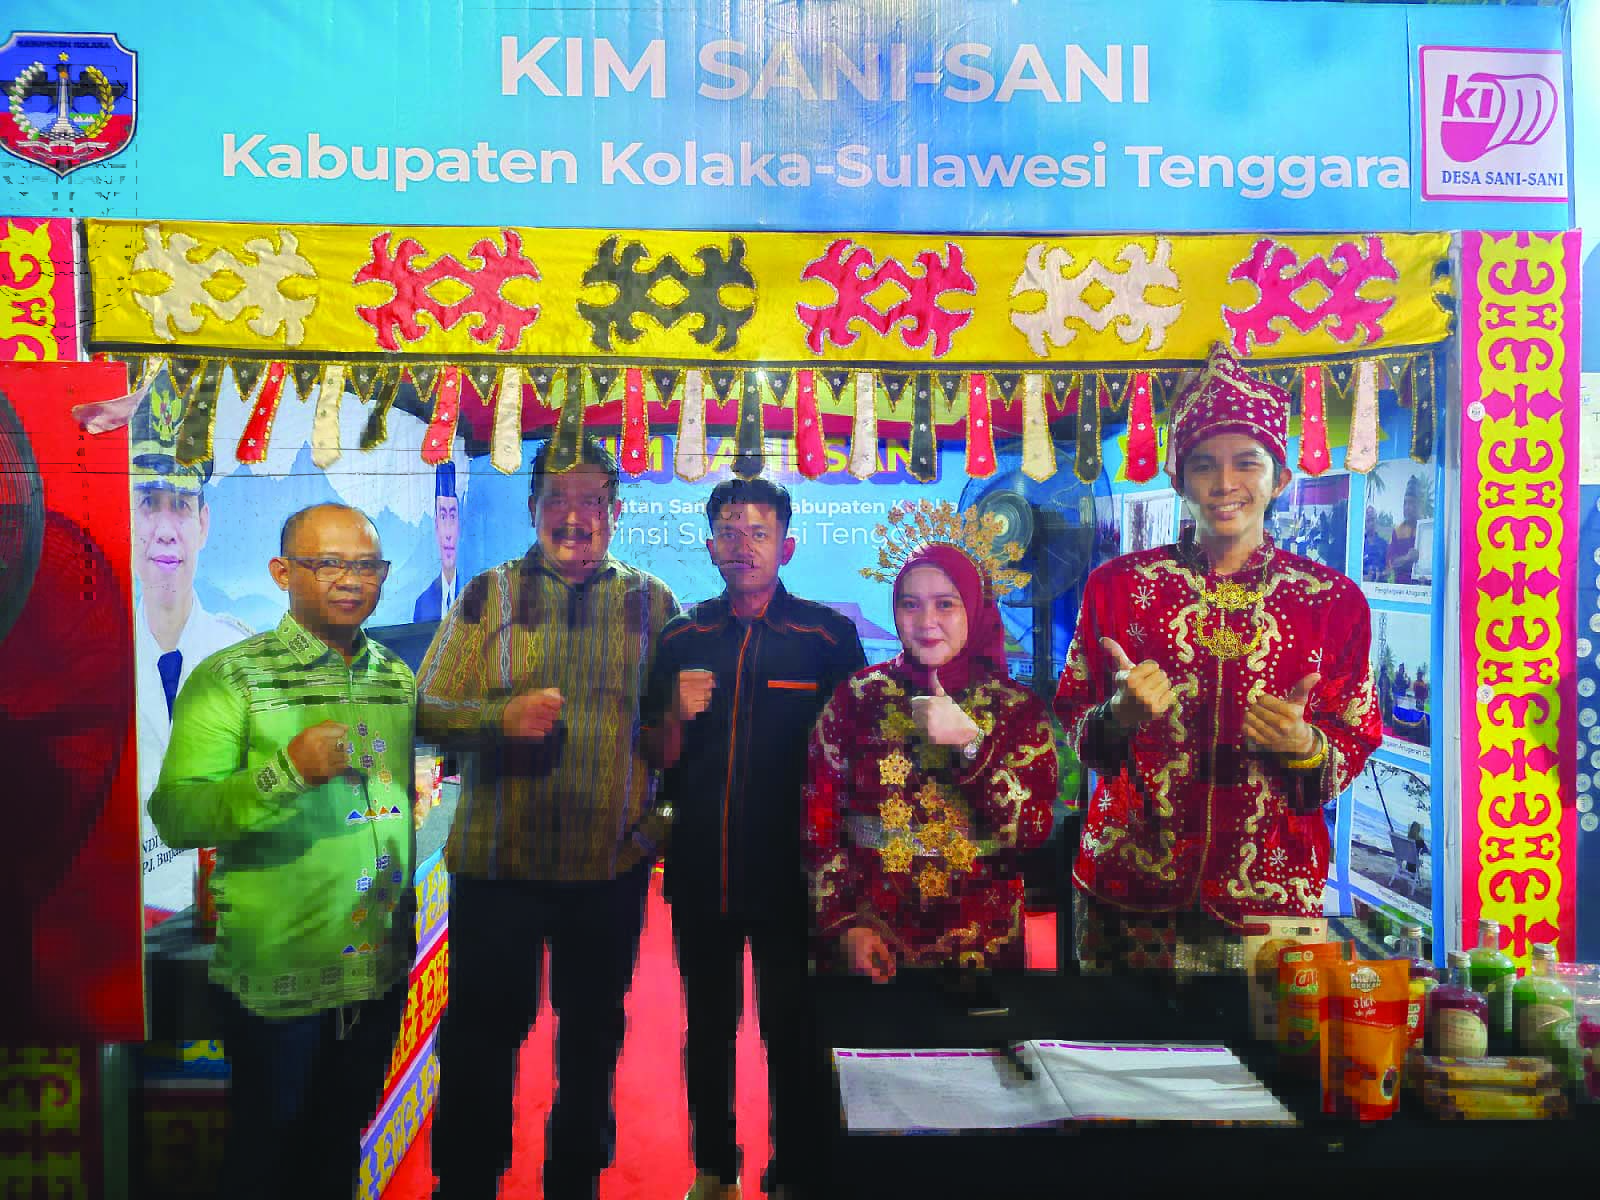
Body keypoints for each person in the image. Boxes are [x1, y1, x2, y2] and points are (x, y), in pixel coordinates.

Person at [1054, 343, 1382, 973]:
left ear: (1280, 479)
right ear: (1178, 480)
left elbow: (1356, 734)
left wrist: (1306, 745)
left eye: (1247, 463)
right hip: (1129, 886)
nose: (1225, 484)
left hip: (1271, 892)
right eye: (1203, 465)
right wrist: (1117, 717)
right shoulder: (1117, 588)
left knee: (1267, 1041)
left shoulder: (1332, 602)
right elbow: (1077, 721)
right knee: (1112, 1037)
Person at [418, 437, 680, 1200]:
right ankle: (466, 1183)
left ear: (615, 513)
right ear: (533, 509)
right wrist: (497, 718)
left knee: (593, 1037)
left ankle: (576, 1181)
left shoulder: (654, 603)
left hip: (609, 866)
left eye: (592, 500)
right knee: (482, 1036)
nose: (574, 516)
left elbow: (671, 735)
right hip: (501, 865)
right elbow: (427, 708)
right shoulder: (488, 595)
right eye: (558, 499)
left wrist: (658, 822)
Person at [148, 503, 417, 1200]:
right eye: (328, 564)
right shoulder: (232, 678)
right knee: (267, 1154)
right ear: (281, 572)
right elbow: (177, 815)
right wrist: (287, 771)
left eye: (367, 566)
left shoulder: (394, 675)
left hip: (377, 969)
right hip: (279, 978)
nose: (352, 580)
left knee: (339, 1145)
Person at [642, 479, 865, 1200]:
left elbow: (860, 756)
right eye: (730, 532)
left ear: (786, 547)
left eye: (758, 532)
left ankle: (794, 1168)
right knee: (708, 1029)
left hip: (794, 877)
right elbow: (653, 753)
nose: (743, 546)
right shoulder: (682, 637)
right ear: (710, 546)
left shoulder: (827, 639)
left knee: (793, 1032)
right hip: (701, 871)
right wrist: (673, 714)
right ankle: (715, 1169)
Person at [805, 500, 1056, 979]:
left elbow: (1032, 832)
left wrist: (971, 744)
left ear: (975, 608)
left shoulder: (1016, 709)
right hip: (873, 939)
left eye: (946, 603)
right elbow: (817, 819)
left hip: (982, 941)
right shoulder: (857, 698)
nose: (926, 622)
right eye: (910, 604)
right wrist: (843, 924)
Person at [130, 372, 252, 919]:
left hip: (223, 908)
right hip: (129, 911)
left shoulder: (241, 657)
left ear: (203, 523)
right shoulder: (93, 660)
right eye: (147, 502)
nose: (165, 529)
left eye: (180, 505)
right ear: (126, 516)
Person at [414, 460, 463, 622]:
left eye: (452, 516)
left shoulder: (475, 596)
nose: (448, 532)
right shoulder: (423, 603)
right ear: (436, 526)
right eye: (442, 516)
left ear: (459, 525)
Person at [1384, 476, 1423, 584]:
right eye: (1405, 503)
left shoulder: (1427, 530)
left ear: (1419, 504)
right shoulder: (1397, 531)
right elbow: (1390, 562)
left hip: (1423, 587)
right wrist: (1407, 558)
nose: (1407, 507)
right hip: (1402, 588)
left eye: (1411, 503)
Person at [1361, 505, 1387, 580]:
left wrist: (1382, 574)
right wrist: (1364, 578)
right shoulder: (1360, 544)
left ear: (1376, 521)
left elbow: (1389, 568)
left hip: (1380, 584)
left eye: (1373, 519)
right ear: (1364, 523)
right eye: (1368, 520)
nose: (1371, 523)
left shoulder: (1383, 544)